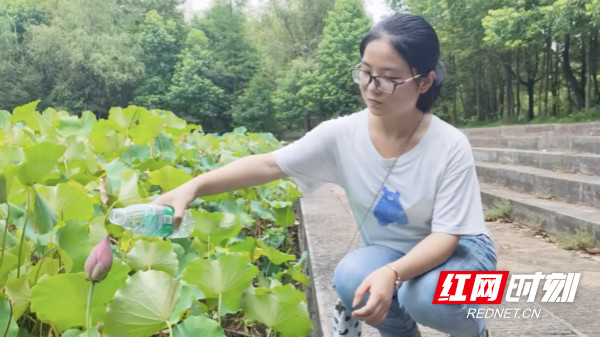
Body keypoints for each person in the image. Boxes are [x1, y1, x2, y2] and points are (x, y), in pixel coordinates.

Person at [153, 13, 496, 337]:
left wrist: (392, 274)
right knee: (351, 280)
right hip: (393, 250)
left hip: (462, 253)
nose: (371, 87)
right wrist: (193, 187)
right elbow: (270, 164)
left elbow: (446, 238)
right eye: (365, 72)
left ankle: (474, 330)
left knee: (427, 298)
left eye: (389, 78)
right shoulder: (341, 134)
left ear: (424, 82)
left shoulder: (449, 145)